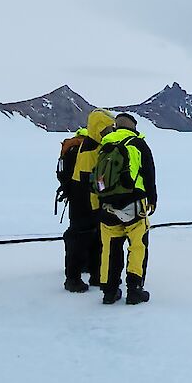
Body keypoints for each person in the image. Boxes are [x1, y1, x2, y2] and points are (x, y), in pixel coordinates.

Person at [93, 112, 157, 305]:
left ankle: (109, 291)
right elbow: (149, 175)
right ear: (133, 127)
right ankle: (135, 289)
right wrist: (152, 200)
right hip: (134, 205)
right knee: (138, 246)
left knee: (110, 249)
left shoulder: (105, 145)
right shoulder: (138, 144)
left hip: (108, 206)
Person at [56, 109, 115, 293]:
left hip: (87, 199)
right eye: (107, 128)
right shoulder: (91, 149)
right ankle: (72, 279)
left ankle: (97, 275)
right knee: (79, 238)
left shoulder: (95, 145)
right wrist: (102, 199)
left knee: (97, 238)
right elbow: (92, 179)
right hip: (85, 200)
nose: (110, 131)